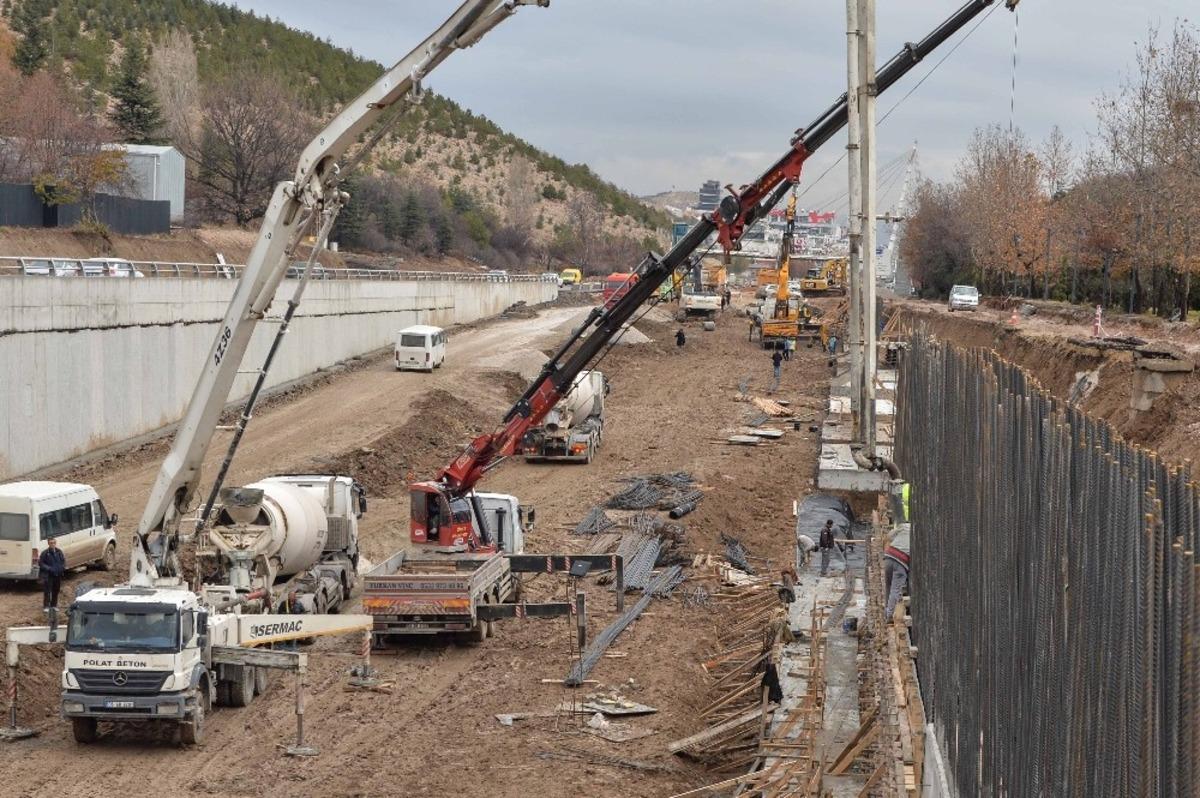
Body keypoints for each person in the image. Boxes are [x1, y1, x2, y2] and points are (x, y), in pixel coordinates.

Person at [883, 523, 911, 619]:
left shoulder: (904, 526)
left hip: (889, 556)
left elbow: (889, 536)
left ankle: (886, 610)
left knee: (888, 586)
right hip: (901, 562)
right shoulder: (921, 534)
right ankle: (889, 615)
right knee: (896, 589)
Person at [39, 536, 66, 611]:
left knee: (56, 590)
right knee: (47, 591)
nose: (53, 544)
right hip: (49, 575)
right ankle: (46, 606)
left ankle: (54, 605)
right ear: (48, 544)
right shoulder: (45, 553)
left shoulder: (59, 552)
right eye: (51, 543)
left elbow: (63, 561)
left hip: (57, 574)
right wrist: (49, 568)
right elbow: (41, 563)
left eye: (54, 543)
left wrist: (62, 567)